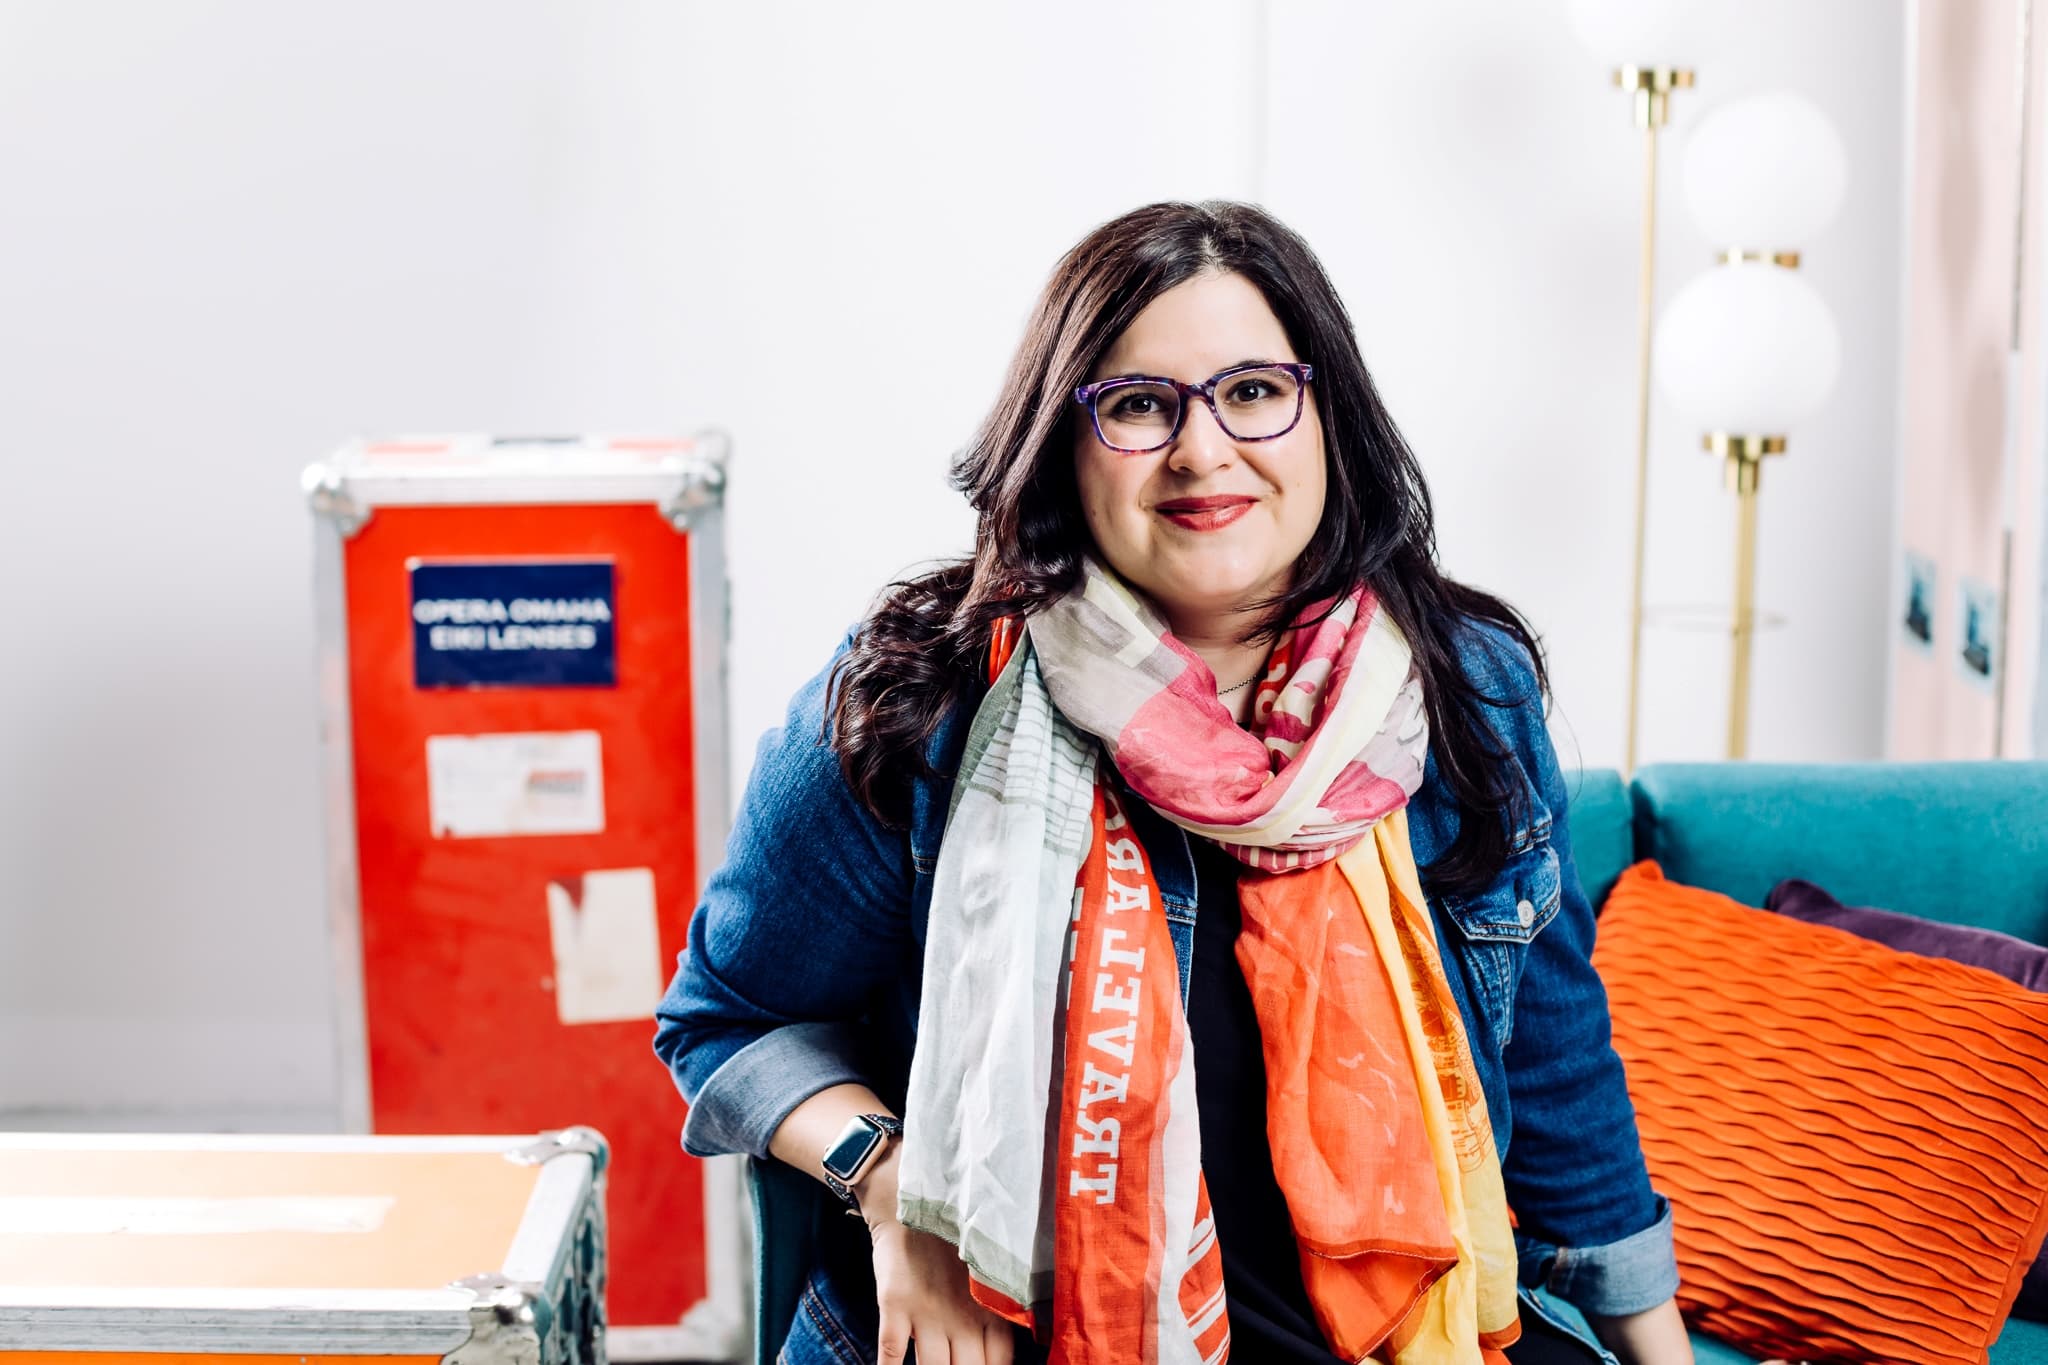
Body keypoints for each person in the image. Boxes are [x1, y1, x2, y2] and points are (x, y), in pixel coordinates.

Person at [655, 201, 1693, 1365]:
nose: (1203, 452)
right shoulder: (924, 699)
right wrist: (895, 1189)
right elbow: (727, 1018)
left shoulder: (1460, 687)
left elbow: (1553, 1070)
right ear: (1062, 442)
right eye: (1140, 407)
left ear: (1325, 415)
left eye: (1251, 392)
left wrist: (1650, 1347)